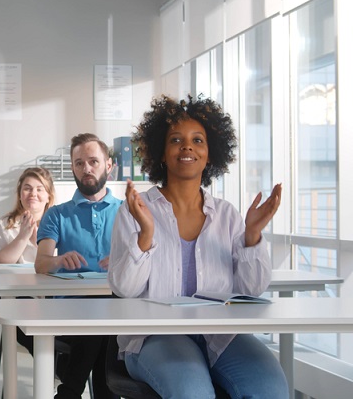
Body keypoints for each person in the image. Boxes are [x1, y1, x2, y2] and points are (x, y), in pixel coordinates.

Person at [108, 95, 287, 398]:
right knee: (194, 392)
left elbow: (252, 289)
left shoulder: (228, 215)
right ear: (162, 153)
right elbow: (125, 288)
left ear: (209, 154)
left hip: (221, 334)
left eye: (198, 140)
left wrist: (252, 235)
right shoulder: (135, 210)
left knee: (272, 388)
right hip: (155, 335)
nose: (187, 146)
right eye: (176, 139)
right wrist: (146, 233)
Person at [33, 133, 121, 399]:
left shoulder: (128, 211)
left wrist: (124, 260)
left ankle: (69, 392)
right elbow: (41, 263)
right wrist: (59, 260)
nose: (86, 169)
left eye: (93, 161)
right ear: (73, 168)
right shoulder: (57, 214)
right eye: (79, 163)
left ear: (108, 165)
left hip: (118, 312)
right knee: (99, 328)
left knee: (103, 327)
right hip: (69, 315)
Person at [0, 167, 55, 264]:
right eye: (27, 188)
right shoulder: (4, 224)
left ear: (49, 197)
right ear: (20, 194)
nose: (33, 194)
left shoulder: (57, 224)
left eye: (39, 189)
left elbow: (61, 264)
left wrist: (39, 244)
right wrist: (22, 237)